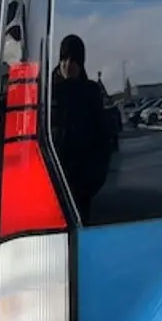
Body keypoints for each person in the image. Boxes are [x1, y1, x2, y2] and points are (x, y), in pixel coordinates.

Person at [51, 34, 113, 219]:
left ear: (80, 63)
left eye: (73, 60)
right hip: (51, 183)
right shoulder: (47, 91)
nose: (67, 65)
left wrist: (94, 180)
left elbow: (102, 138)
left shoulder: (90, 92)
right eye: (64, 59)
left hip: (81, 187)